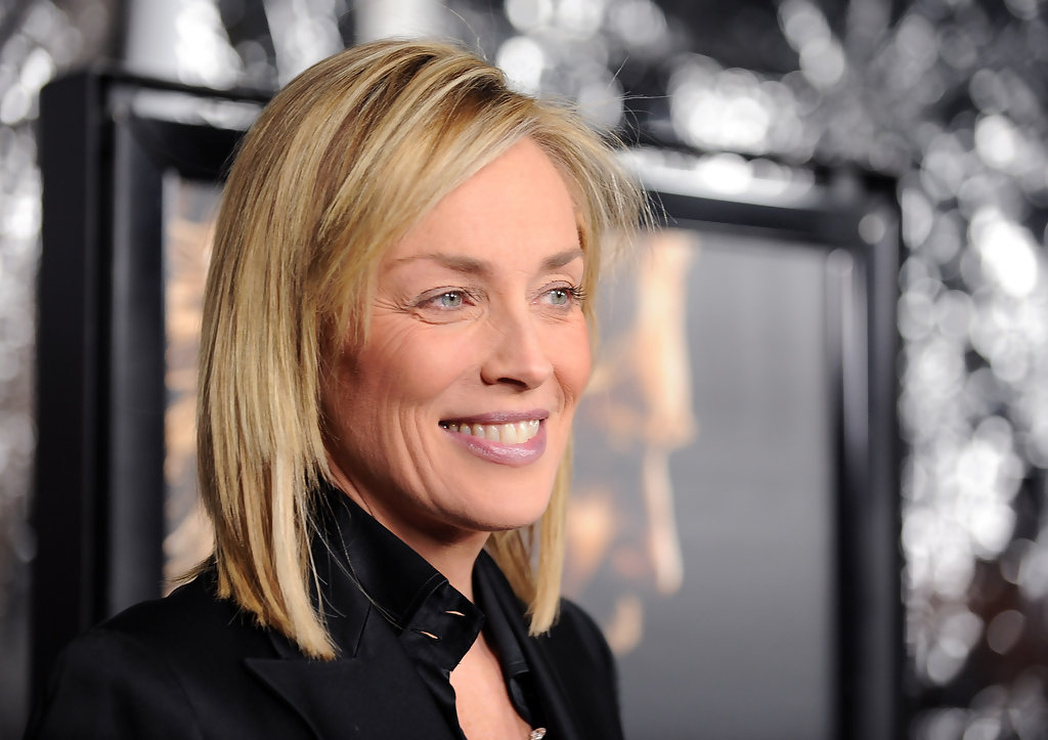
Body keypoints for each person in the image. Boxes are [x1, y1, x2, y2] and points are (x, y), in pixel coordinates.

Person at [26, 38, 644, 740]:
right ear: (295, 333)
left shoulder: (572, 655)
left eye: (558, 292)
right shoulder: (148, 697)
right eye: (448, 297)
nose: (530, 363)